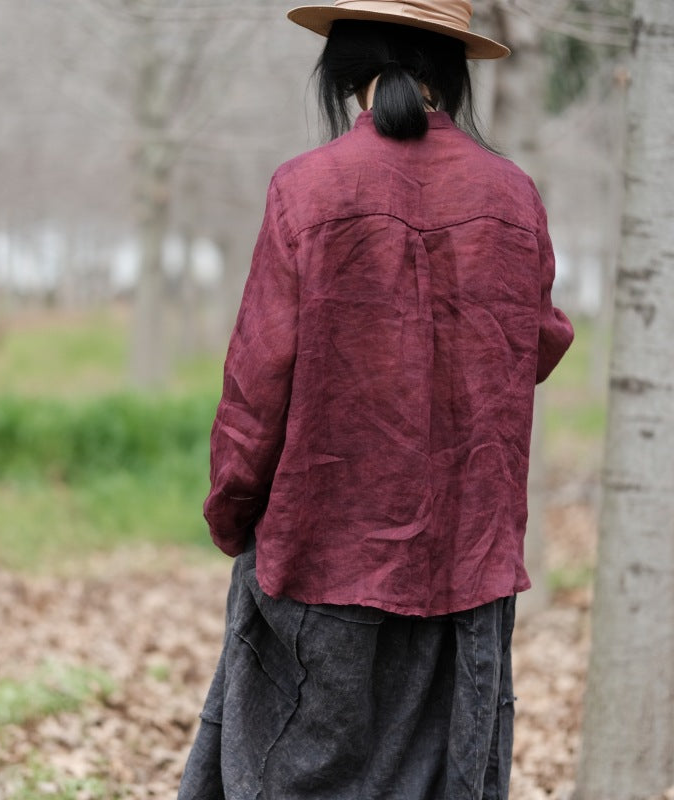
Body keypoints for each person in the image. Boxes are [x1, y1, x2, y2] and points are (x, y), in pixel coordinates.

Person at [178, 1, 574, 798]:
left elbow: (258, 381)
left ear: (342, 67)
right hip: (469, 565)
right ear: (453, 69)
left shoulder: (307, 190)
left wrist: (234, 511)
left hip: (318, 554)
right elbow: (538, 339)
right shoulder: (512, 195)